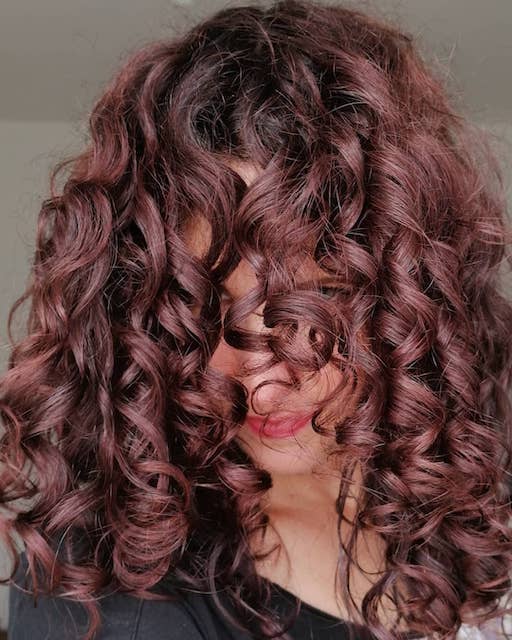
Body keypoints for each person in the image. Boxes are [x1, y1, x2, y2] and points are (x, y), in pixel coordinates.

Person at [2, 0, 512, 638]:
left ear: (407, 297)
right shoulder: (107, 596)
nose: (264, 389)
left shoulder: (464, 512)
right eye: (206, 309)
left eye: (315, 305)